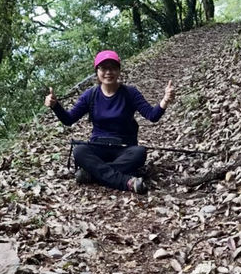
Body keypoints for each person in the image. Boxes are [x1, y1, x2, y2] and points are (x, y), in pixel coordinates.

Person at [44, 50, 175, 194]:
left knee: (139, 153)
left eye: (112, 67)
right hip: (98, 146)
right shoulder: (91, 95)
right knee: (79, 150)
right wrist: (55, 106)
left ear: (119, 70)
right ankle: (126, 182)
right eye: (103, 68)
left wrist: (165, 101)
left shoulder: (130, 93)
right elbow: (69, 119)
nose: (108, 72)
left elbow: (152, 115)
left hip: (124, 148)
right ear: (97, 72)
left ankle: (92, 173)